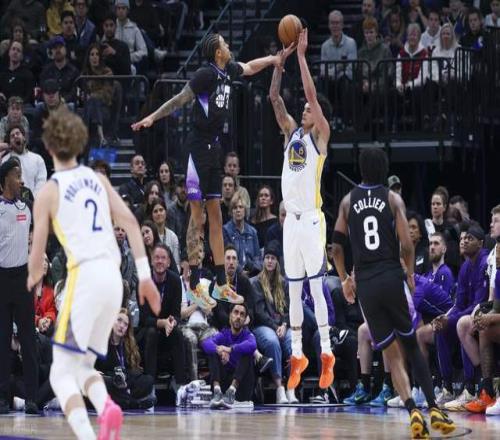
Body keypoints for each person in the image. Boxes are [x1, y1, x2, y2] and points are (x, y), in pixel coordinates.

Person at [27, 108, 161, 439]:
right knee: (84, 365)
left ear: (48, 146)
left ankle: (89, 432)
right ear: (80, 143)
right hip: (114, 282)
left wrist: (31, 281)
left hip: (85, 278)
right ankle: (107, 407)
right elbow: (131, 223)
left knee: (60, 374)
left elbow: (36, 259)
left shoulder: (48, 192)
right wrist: (144, 277)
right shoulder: (98, 180)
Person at [132, 32, 283, 306]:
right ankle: (193, 285)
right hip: (197, 149)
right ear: (217, 52)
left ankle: (221, 285)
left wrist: (274, 59)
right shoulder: (206, 74)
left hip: (214, 149)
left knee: (216, 215)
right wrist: (152, 117)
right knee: (197, 216)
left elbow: (250, 67)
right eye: (224, 43)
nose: (228, 45)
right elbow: (179, 99)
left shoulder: (228, 71)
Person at [331, 147, 455, 438]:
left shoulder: (347, 202)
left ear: (361, 168)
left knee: (390, 351)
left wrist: (345, 279)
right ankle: (433, 407)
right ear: (384, 169)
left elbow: (335, 246)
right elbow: (408, 245)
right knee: (410, 344)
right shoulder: (392, 198)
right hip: (390, 277)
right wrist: (410, 274)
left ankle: (412, 411)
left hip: (366, 287)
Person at [269, 29, 334, 392]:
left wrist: (302, 57)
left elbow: (310, 94)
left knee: (317, 287)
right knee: (293, 291)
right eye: (306, 108)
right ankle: (297, 355)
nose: (305, 108)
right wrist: (279, 66)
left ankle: (326, 353)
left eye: (310, 108)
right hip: (290, 223)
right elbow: (274, 98)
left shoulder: (319, 136)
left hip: (311, 219)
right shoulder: (292, 132)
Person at [0, 158, 39, 415]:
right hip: (2, 279)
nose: (21, 179)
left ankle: (33, 397)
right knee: (3, 339)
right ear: (5, 179)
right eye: (16, 175)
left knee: (28, 339)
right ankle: (2, 397)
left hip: (23, 278)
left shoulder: (27, 206)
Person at [95, 308, 156, 409]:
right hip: (109, 380)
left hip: (125, 382)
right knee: (104, 383)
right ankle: (134, 403)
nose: (121, 326)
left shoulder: (128, 345)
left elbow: (133, 371)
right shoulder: (101, 342)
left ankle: (124, 398)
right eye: (119, 320)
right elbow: (90, 367)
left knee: (148, 380)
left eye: (125, 324)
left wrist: (126, 377)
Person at [202, 303, 257, 408]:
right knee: (212, 351)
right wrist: (219, 350)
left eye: (242, 314)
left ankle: (232, 391)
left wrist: (230, 349)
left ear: (245, 319)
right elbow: (206, 343)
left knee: (247, 353)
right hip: (224, 384)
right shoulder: (223, 334)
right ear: (230, 315)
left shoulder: (247, 335)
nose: (238, 317)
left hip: (241, 388)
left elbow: (252, 345)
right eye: (236, 312)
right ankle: (217, 392)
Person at [1, 125, 47, 196]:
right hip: (13, 200)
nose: (15, 136)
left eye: (17, 133)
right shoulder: (6, 160)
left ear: (24, 138)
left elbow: (41, 181)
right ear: (10, 143)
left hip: (34, 200)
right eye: (12, 136)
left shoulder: (38, 159)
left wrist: (33, 199)